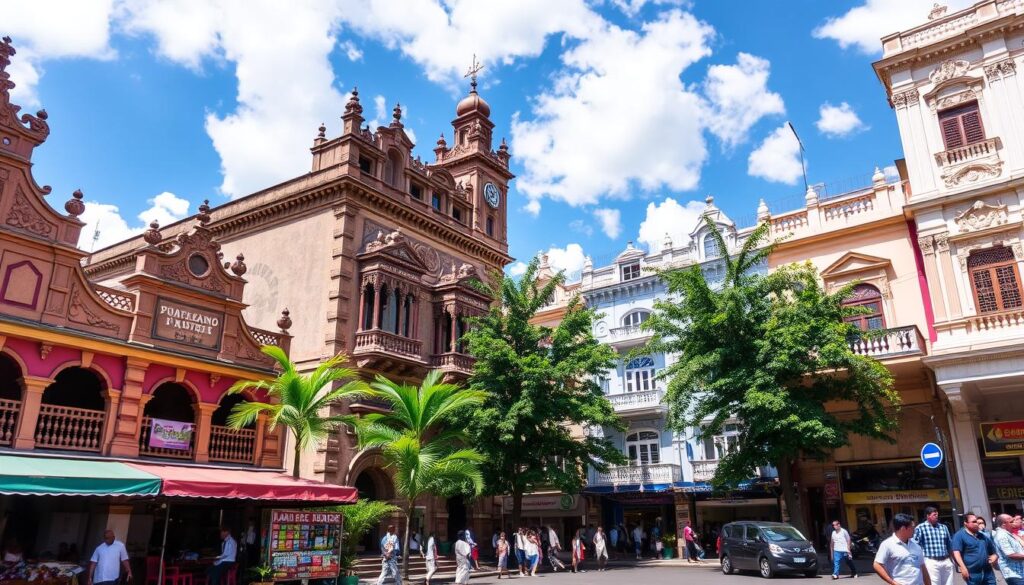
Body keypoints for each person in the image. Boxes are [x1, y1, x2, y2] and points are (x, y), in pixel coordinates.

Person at [874, 513, 931, 585]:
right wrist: (892, 582)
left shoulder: (916, 545)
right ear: (903, 528)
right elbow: (877, 565)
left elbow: (923, 568)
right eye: (912, 527)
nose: (914, 530)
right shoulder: (887, 544)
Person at [951, 513, 997, 585]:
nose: (977, 524)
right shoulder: (959, 535)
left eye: (977, 522)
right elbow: (956, 553)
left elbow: (993, 551)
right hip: (972, 574)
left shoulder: (982, 536)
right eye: (974, 522)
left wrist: (995, 556)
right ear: (965, 523)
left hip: (988, 572)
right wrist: (962, 568)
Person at [913, 507, 953, 585]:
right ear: (928, 516)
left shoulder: (943, 527)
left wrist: (952, 560)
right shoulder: (920, 528)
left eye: (937, 514)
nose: (936, 516)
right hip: (931, 561)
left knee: (949, 583)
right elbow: (915, 545)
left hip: (946, 560)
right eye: (934, 514)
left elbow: (949, 544)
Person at [993, 514, 1024, 585]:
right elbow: (1010, 554)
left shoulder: (1008, 534)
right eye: (1011, 521)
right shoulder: (1002, 535)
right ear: (1004, 524)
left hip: (1019, 572)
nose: (1014, 523)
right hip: (1013, 574)